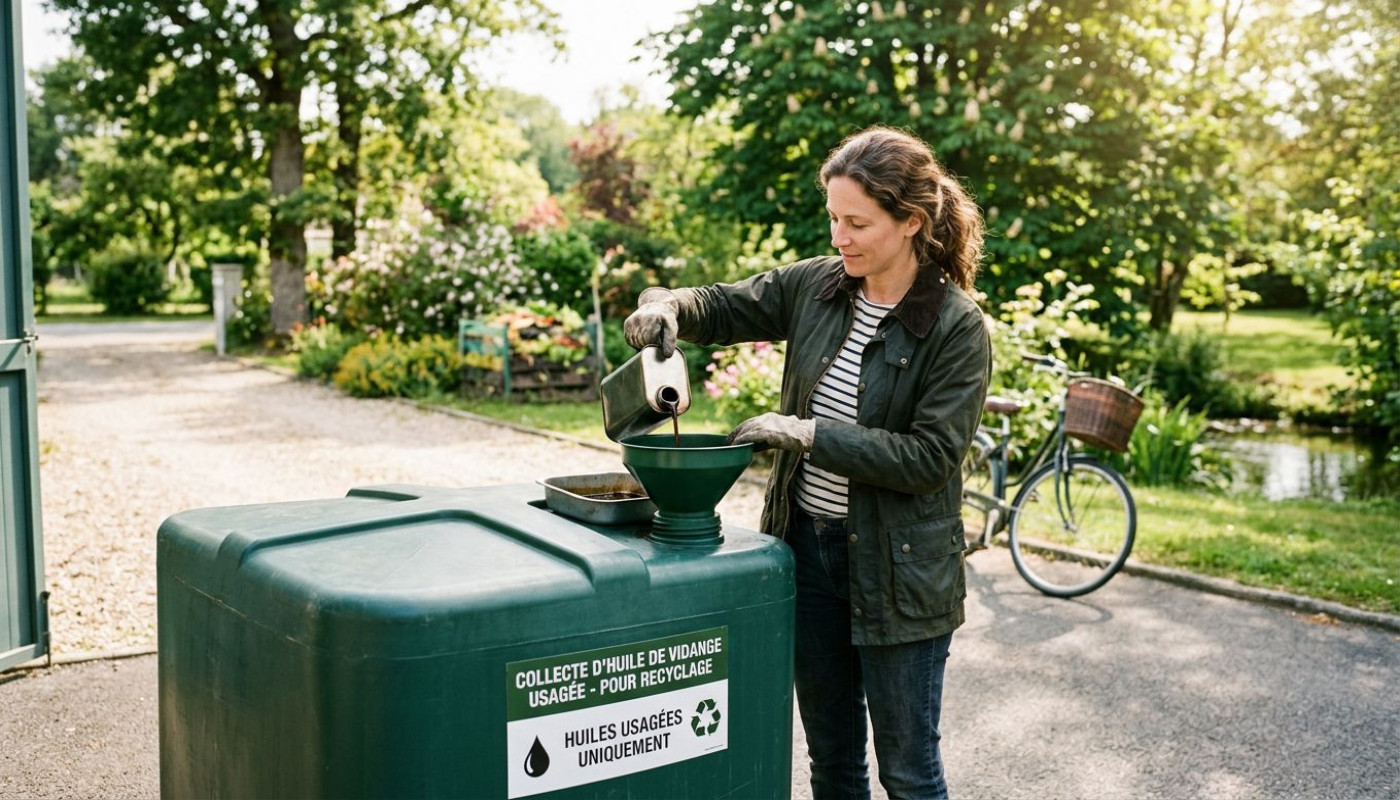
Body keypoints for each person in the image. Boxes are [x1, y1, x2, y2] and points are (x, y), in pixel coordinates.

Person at [623, 125, 991, 800]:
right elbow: (724, 305)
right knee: (833, 760)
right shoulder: (817, 287)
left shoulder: (956, 327)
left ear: (911, 222)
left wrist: (808, 433)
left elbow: (930, 459)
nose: (838, 238)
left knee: (908, 772)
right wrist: (666, 305)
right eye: (832, 218)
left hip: (899, 571)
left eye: (857, 223)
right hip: (807, 555)